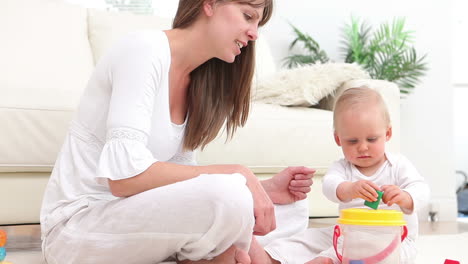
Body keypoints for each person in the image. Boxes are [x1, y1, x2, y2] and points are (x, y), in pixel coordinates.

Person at [39, 0, 316, 263]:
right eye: (248, 16)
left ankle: (221, 254)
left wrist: (262, 191)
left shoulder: (198, 80)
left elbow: (185, 185)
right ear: (209, 4)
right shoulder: (144, 49)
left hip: (141, 223)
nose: (254, 34)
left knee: (291, 207)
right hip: (80, 230)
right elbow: (123, 180)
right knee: (228, 196)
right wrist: (241, 177)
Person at [248, 86, 430, 264]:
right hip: (348, 232)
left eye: (372, 139)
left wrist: (405, 197)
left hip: (395, 239)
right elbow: (329, 186)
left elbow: (421, 189)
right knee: (307, 237)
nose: (363, 147)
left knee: (353, 251)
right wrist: (350, 189)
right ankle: (271, 255)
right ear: (338, 139)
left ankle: (328, 259)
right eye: (352, 141)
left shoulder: (398, 165)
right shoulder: (342, 167)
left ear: (387, 133)